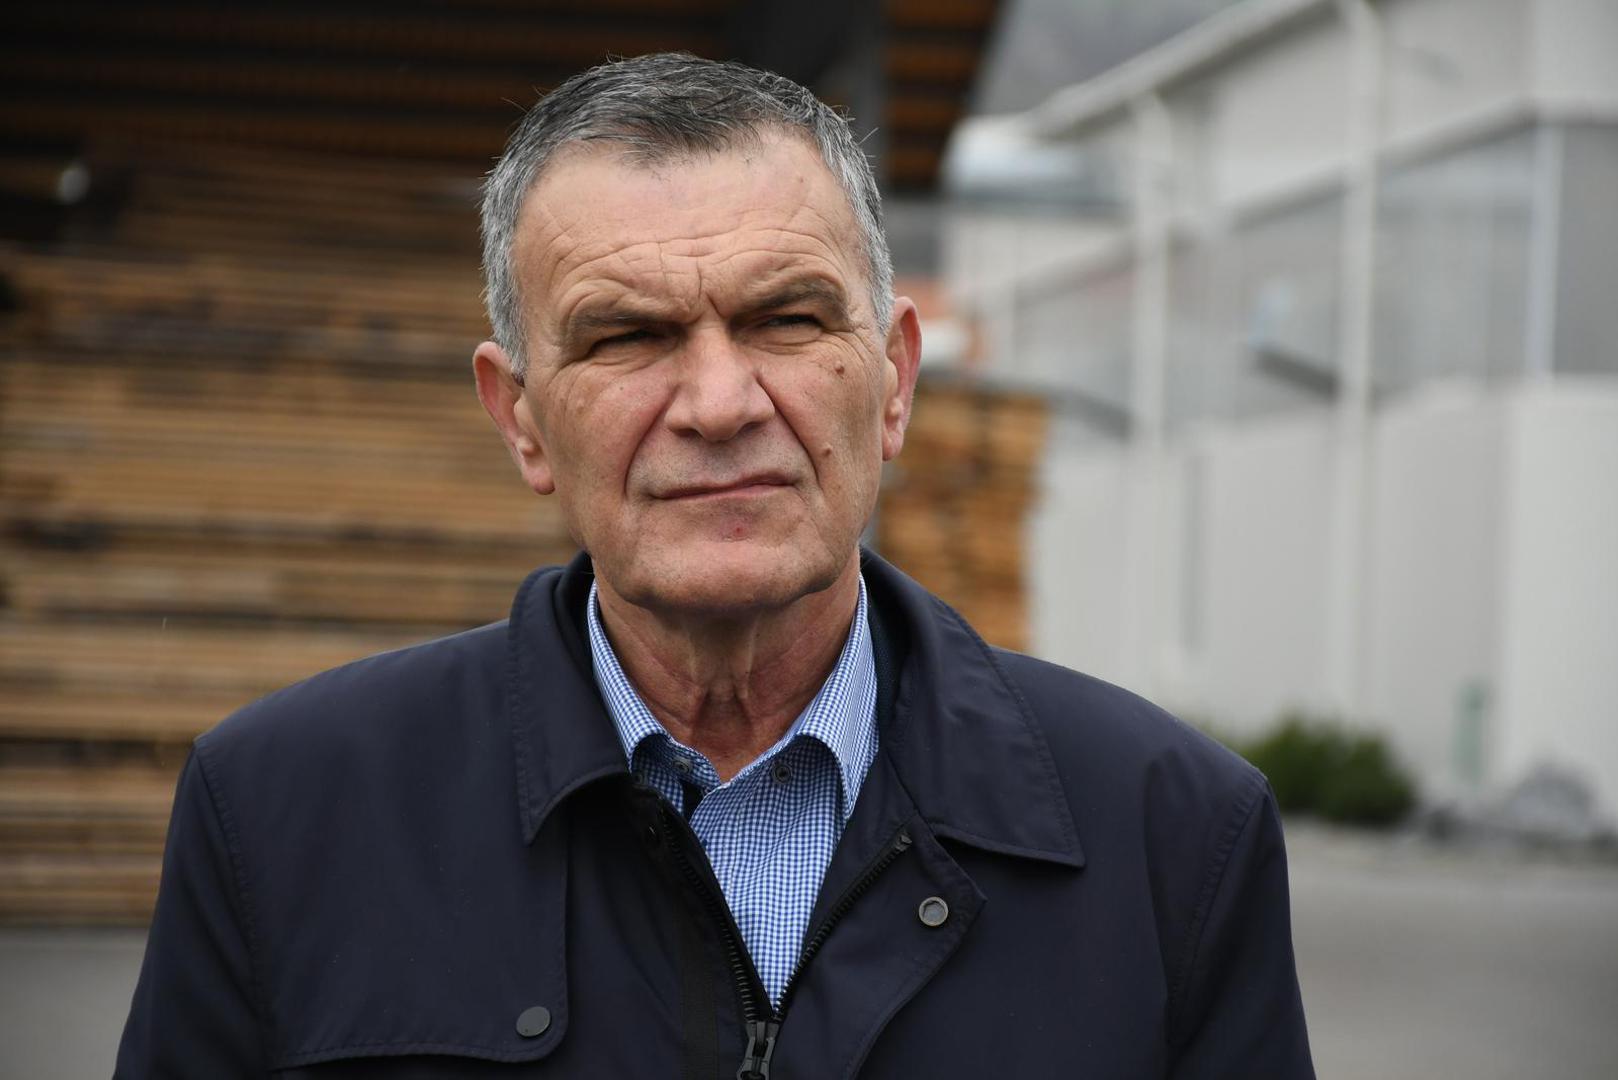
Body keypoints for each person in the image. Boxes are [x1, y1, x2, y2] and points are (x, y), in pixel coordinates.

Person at [116, 53, 1313, 1078]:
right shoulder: (277, 815)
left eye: (786, 319)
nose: (720, 402)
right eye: (627, 335)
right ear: (520, 419)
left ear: (895, 379)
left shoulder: (1172, 836)